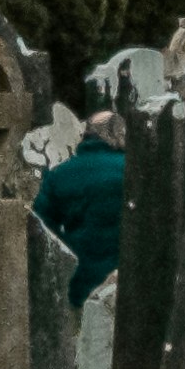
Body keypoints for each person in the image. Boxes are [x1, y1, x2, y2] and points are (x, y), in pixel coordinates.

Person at [37, 110, 128, 304]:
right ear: (118, 134)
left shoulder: (60, 174)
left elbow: (40, 225)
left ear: (86, 135)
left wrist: (70, 248)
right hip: (126, 279)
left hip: (78, 279)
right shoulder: (133, 171)